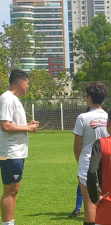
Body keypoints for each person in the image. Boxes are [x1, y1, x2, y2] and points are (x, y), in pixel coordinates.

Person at [0, 69, 39, 225]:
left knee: (13, 190)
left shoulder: (13, 99)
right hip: (10, 152)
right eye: (27, 83)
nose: (28, 87)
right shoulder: (7, 99)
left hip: (15, 152)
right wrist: (28, 129)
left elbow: (11, 124)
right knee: (11, 191)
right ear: (21, 83)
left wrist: (27, 125)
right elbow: (5, 126)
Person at [73, 82, 109, 225]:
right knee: (105, 203)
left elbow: (77, 147)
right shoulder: (109, 117)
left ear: (89, 97)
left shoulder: (82, 118)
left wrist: (80, 162)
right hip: (106, 163)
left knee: (89, 205)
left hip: (87, 163)